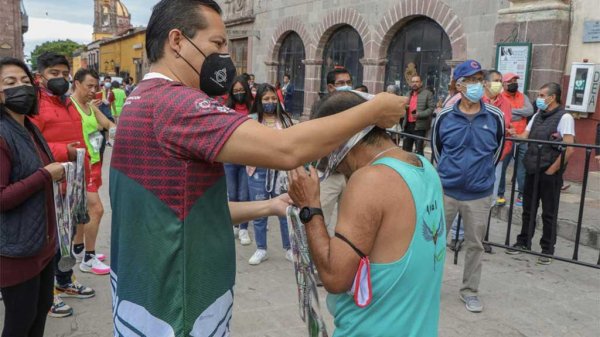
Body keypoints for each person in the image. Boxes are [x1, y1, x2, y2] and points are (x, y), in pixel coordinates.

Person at [109, 1, 405, 335]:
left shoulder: (141, 99)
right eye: (218, 44)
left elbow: (187, 211)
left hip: (146, 300)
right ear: (177, 41)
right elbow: (286, 148)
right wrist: (372, 109)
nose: (226, 56)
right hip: (178, 312)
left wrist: (270, 206)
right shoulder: (175, 103)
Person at [288, 90, 445, 336]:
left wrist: (310, 206)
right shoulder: (423, 166)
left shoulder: (370, 181)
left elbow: (334, 277)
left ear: (339, 139)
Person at [432, 59, 505, 313]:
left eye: (479, 80)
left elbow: (495, 153)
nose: (477, 85)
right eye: (471, 80)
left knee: (475, 245)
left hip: (478, 194)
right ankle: (429, 289)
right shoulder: (444, 117)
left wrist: (480, 175)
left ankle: (470, 291)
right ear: (459, 85)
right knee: (435, 242)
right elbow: (438, 152)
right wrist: (451, 176)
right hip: (447, 192)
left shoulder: (495, 117)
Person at [0, 57, 65, 337]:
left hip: (43, 245)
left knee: (40, 313)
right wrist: (46, 176)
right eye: (10, 82)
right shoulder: (2, 133)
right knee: (20, 323)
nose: (21, 88)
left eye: (26, 81)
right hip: (17, 251)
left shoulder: (29, 127)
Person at [29, 52, 95, 318]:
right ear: (40, 76)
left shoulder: (67, 103)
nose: (60, 78)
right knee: (50, 241)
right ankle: (47, 297)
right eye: (53, 74)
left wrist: (84, 165)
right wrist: (62, 152)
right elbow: (31, 144)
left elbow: (78, 139)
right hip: (49, 183)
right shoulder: (35, 105)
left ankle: (64, 282)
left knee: (65, 238)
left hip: (71, 183)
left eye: (63, 74)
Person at [506, 83, 575, 265]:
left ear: (553, 98)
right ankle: (524, 242)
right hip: (532, 167)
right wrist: (513, 133)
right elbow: (526, 136)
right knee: (528, 209)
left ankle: (547, 249)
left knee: (549, 212)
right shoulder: (537, 115)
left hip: (549, 171)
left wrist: (553, 170)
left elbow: (569, 148)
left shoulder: (565, 117)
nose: (539, 98)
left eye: (542, 95)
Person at [448, 70, 512, 252]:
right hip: (462, 163)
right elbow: (439, 146)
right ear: (486, 83)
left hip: (490, 161)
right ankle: (458, 236)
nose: (499, 84)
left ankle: (479, 237)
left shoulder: (503, 104)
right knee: (460, 198)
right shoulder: (472, 102)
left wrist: (489, 162)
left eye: (500, 81)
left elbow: (501, 134)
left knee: (486, 200)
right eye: (495, 81)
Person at [69, 68, 116, 275]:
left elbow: (108, 125)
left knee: (83, 210)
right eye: (89, 86)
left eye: (95, 87)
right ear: (77, 84)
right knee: (96, 210)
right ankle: (88, 257)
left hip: (94, 163)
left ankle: (78, 247)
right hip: (80, 166)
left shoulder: (90, 107)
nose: (93, 91)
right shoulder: (69, 107)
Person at [246, 83, 295, 265]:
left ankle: (289, 248)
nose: (270, 102)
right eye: (266, 99)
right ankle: (261, 249)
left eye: (273, 98)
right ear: (259, 101)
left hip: (281, 173)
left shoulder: (285, 120)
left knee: (284, 210)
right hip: (257, 171)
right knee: (260, 211)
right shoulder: (250, 121)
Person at [320, 67, 354, 233]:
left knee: (348, 222)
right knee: (320, 221)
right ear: (331, 87)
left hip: (351, 175)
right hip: (328, 174)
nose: (346, 86)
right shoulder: (321, 107)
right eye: (341, 83)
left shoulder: (356, 105)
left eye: (348, 82)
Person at [498, 73, 534, 207]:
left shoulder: (522, 96)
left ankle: (521, 194)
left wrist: (512, 112)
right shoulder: (500, 97)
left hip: (522, 137)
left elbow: (529, 111)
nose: (514, 83)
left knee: (522, 167)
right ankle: (499, 194)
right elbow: (503, 115)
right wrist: (518, 112)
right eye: (510, 81)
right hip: (507, 137)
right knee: (502, 167)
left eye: (515, 81)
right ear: (504, 84)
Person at [225, 76, 253, 245]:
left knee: (244, 194)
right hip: (230, 158)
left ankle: (244, 229)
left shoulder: (253, 108)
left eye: (241, 90)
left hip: (248, 157)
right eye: (235, 91)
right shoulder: (227, 108)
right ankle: (235, 226)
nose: (239, 93)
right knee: (232, 193)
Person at [402, 75, 434, 155]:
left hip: (420, 126)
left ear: (421, 83)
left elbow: (431, 109)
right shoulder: (408, 94)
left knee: (419, 151)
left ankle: (420, 166)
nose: (414, 84)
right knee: (405, 150)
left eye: (417, 82)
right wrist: (404, 107)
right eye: (413, 82)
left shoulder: (428, 94)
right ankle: (406, 167)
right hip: (408, 125)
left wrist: (419, 114)